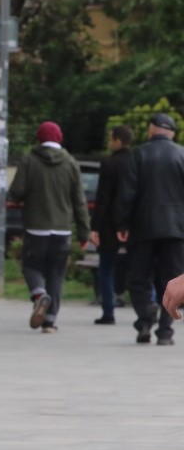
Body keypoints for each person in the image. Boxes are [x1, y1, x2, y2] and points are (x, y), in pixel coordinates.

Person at [7, 121, 91, 334]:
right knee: (56, 273)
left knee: (31, 266)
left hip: (36, 227)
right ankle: (50, 321)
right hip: (62, 229)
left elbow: (17, 191)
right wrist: (84, 233)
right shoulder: (71, 163)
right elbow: (79, 201)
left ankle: (39, 294)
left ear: (38, 138)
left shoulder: (29, 161)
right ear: (59, 138)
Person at [116, 113, 184, 346]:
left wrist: (122, 224)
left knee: (139, 279)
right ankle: (165, 332)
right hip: (176, 230)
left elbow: (127, 193)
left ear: (152, 129)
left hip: (143, 227)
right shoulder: (182, 154)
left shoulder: (139, 154)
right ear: (172, 133)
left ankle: (145, 318)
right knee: (172, 280)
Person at [90, 125, 134, 325]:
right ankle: (150, 305)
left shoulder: (108, 163)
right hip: (134, 223)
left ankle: (108, 311)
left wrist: (95, 226)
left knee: (106, 268)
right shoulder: (137, 161)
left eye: (110, 138)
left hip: (109, 224)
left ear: (118, 140)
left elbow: (103, 198)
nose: (109, 142)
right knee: (143, 267)